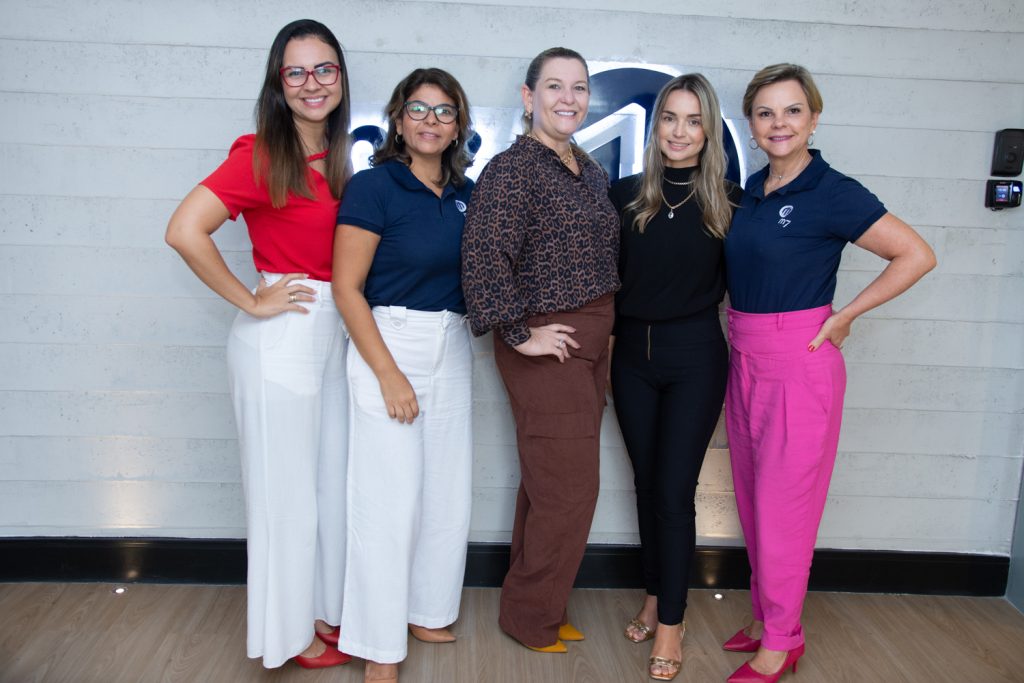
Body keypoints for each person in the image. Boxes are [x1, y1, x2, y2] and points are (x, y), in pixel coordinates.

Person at [722, 63, 936, 683]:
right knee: (753, 502)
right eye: (765, 112)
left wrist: (845, 317)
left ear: (813, 118)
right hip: (743, 356)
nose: (779, 123)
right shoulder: (752, 189)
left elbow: (916, 254)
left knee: (784, 512)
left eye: (792, 110)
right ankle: (767, 616)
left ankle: (781, 642)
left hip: (798, 362)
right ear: (751, 124)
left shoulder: (833, 190)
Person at [164, 19, 353, 670]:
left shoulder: (342, 154)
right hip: (282, 341)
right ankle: (287, 636)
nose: (311, 83)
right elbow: (184, 229)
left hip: (333, 338)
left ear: (341, 76)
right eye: (295, 71)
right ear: (278, 82)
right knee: (284, 499)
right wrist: (251, 299)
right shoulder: (261, 155)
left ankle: (319, 610)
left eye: (323, 68)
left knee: (325, 489)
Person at [462, 46, 619, 654]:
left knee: (548, 484)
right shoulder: (512, 170)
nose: (568, 98)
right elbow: (483, 257)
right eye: (554, 86)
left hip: (591, 344)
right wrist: (520, 334)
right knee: (569, 490)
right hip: (551, 345)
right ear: (529, 98)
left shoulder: (587, 170)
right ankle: (532, 619)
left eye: (579, 87)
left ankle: (535, 607)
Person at [332, 68, 475, 683]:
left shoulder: (467, 193)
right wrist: (388, 374)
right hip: (388, 342)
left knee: (445, 494)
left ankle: (426, 610)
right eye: (418, 108)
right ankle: (378, 645)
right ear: (397, 118)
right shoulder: (374, 186)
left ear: (458, 126)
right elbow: (346, 288)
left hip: (452, 344)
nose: (430, 121)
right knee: (387, 502)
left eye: (444, 111)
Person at [609, 73, 739, 682]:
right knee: (645, 485)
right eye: (669, 118)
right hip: (631, 356)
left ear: (708, 130)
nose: (679, 132)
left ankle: (671, 622)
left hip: (695, 356)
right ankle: (654, 595)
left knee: (674, 490)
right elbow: (606, 284)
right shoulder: (624, 195)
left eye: (693, 121)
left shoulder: (731, 203)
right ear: (655, 124)